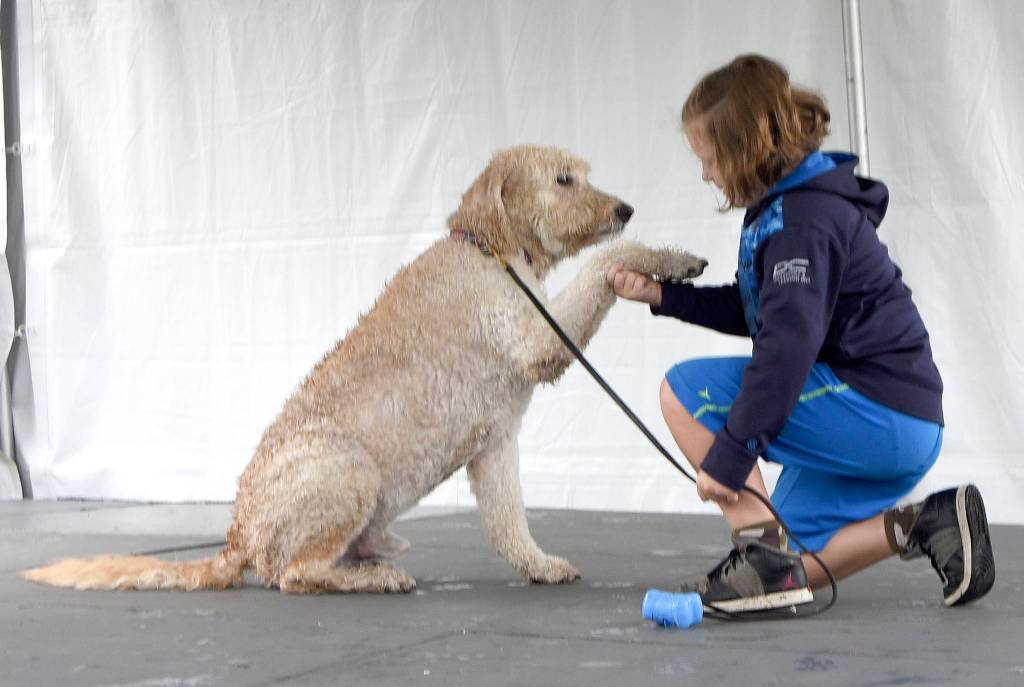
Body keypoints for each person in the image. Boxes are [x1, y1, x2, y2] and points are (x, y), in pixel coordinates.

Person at [607, 54, 995, 613]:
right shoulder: (786, 209)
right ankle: (922, 524)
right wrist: (665, 296)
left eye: (710, 159)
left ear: (745, 151)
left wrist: (731, 458)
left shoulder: (803, 222)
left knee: (684, 393)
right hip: (899, 421)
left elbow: (787, 349)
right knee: (792, 566)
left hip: (879, 410)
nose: (706, 174)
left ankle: (757, 549)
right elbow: (764, 312)